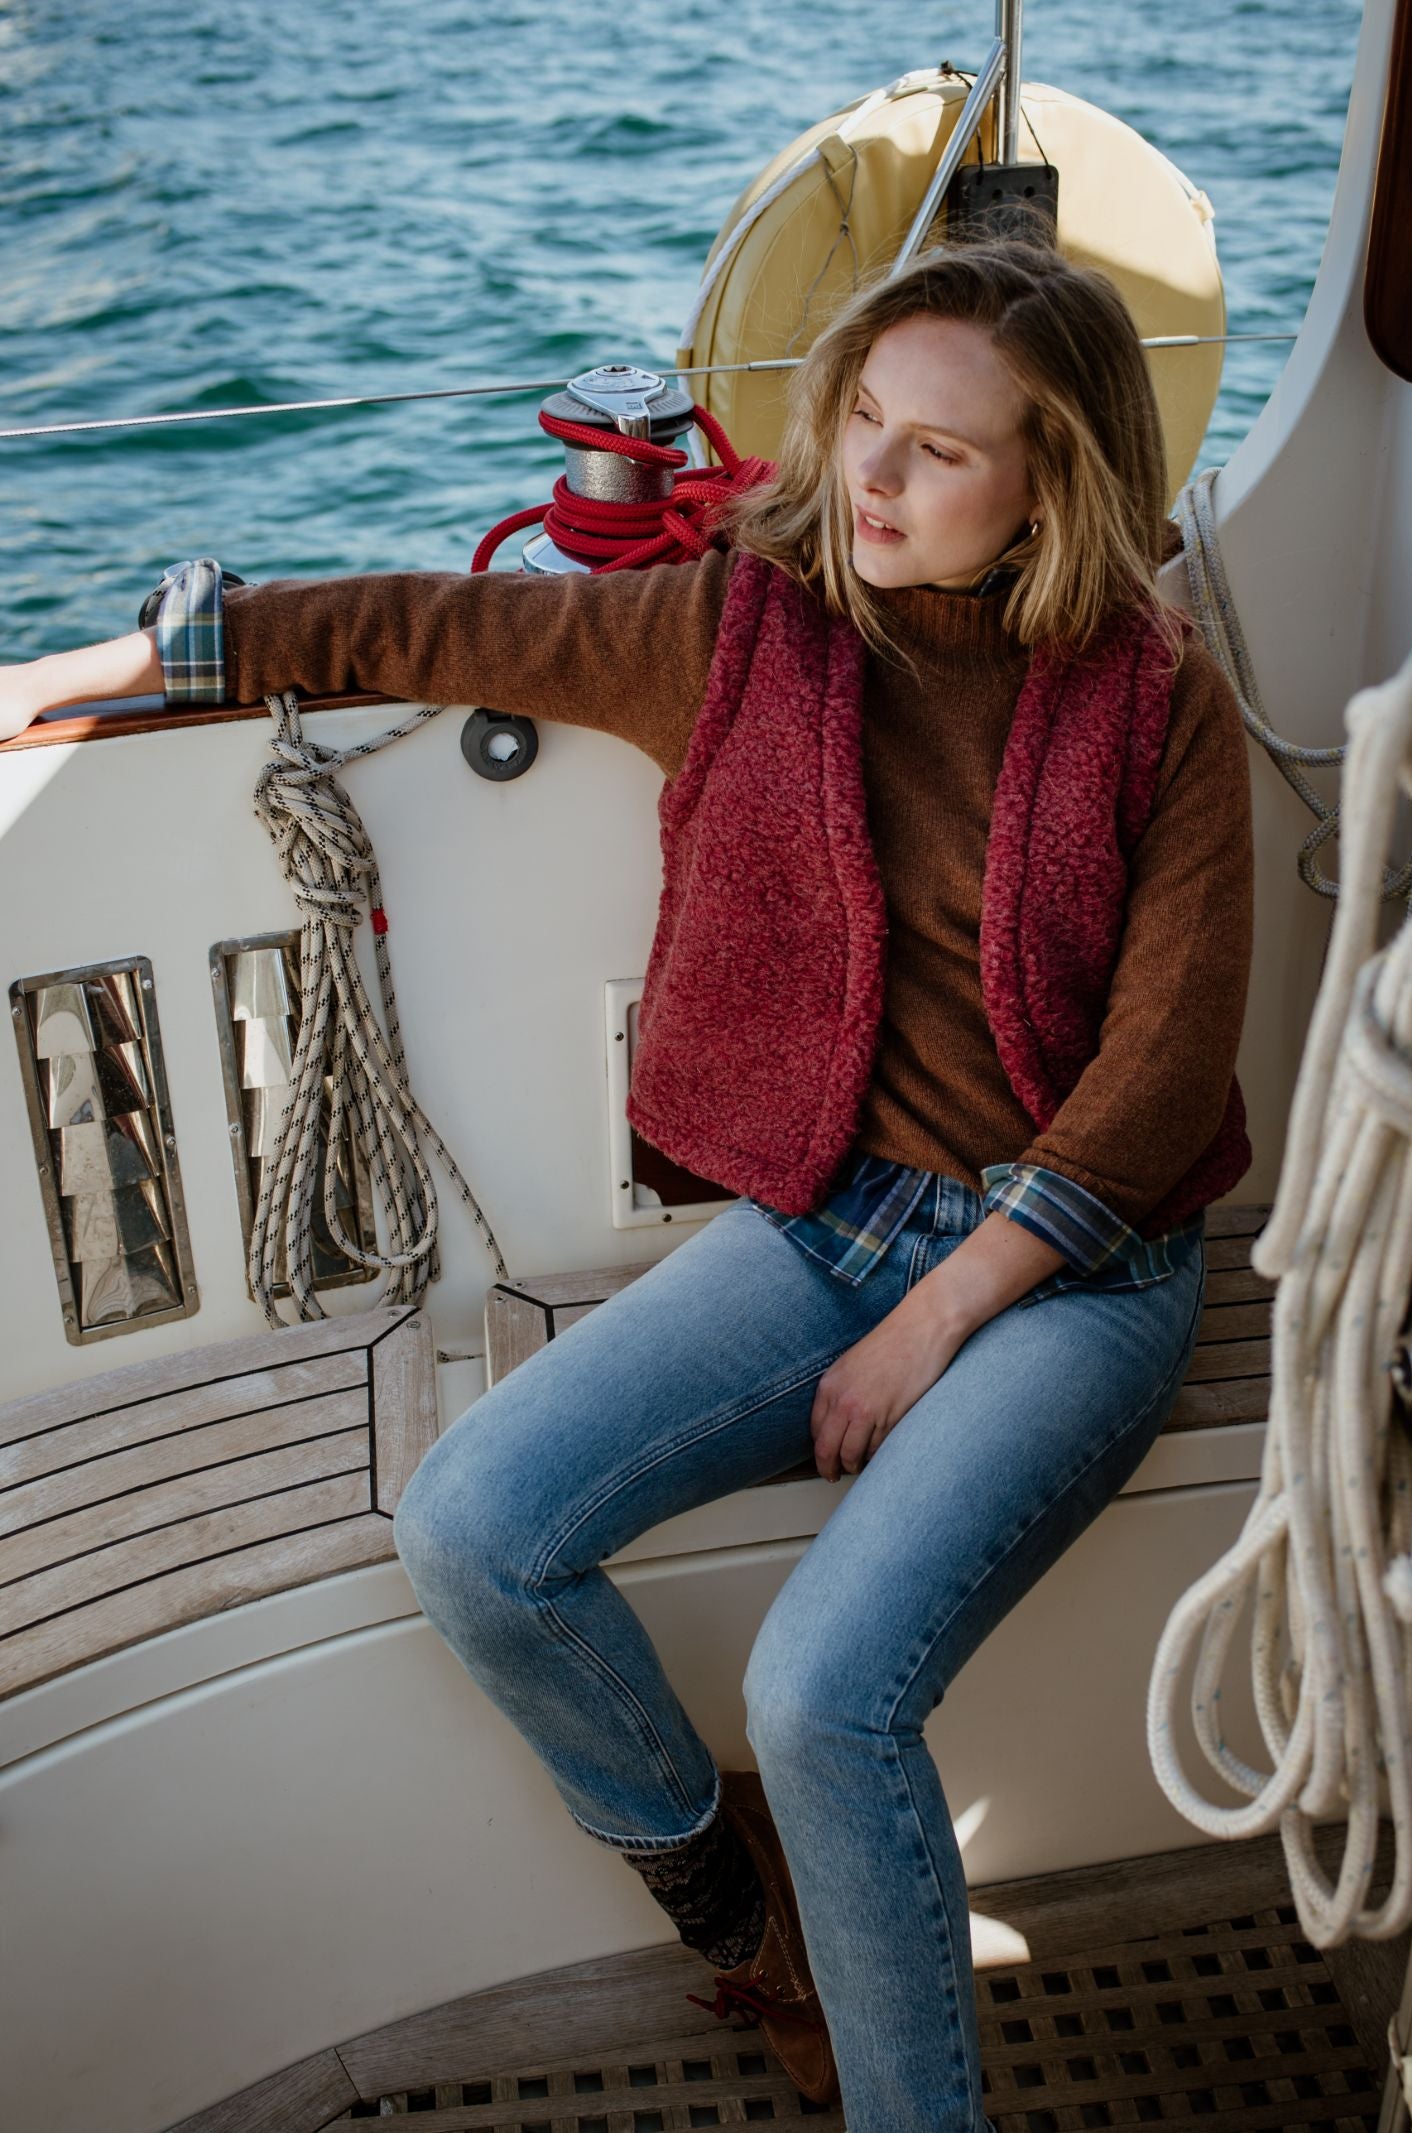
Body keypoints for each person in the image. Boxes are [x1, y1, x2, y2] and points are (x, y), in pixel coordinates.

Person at [0, 238, 1253, 2132]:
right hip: (834, 1212)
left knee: (827, 1694)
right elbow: (429, 628)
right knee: (476, 1527)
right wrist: (96, 667)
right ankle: (739, 1911)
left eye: (935, 450)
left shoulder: (1159, 702)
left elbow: (1159, 1080)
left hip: (1078, 1269)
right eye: (860, 417)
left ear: (1047, 485)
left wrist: (935, 1319)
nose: (867, 474)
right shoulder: (747, 627)